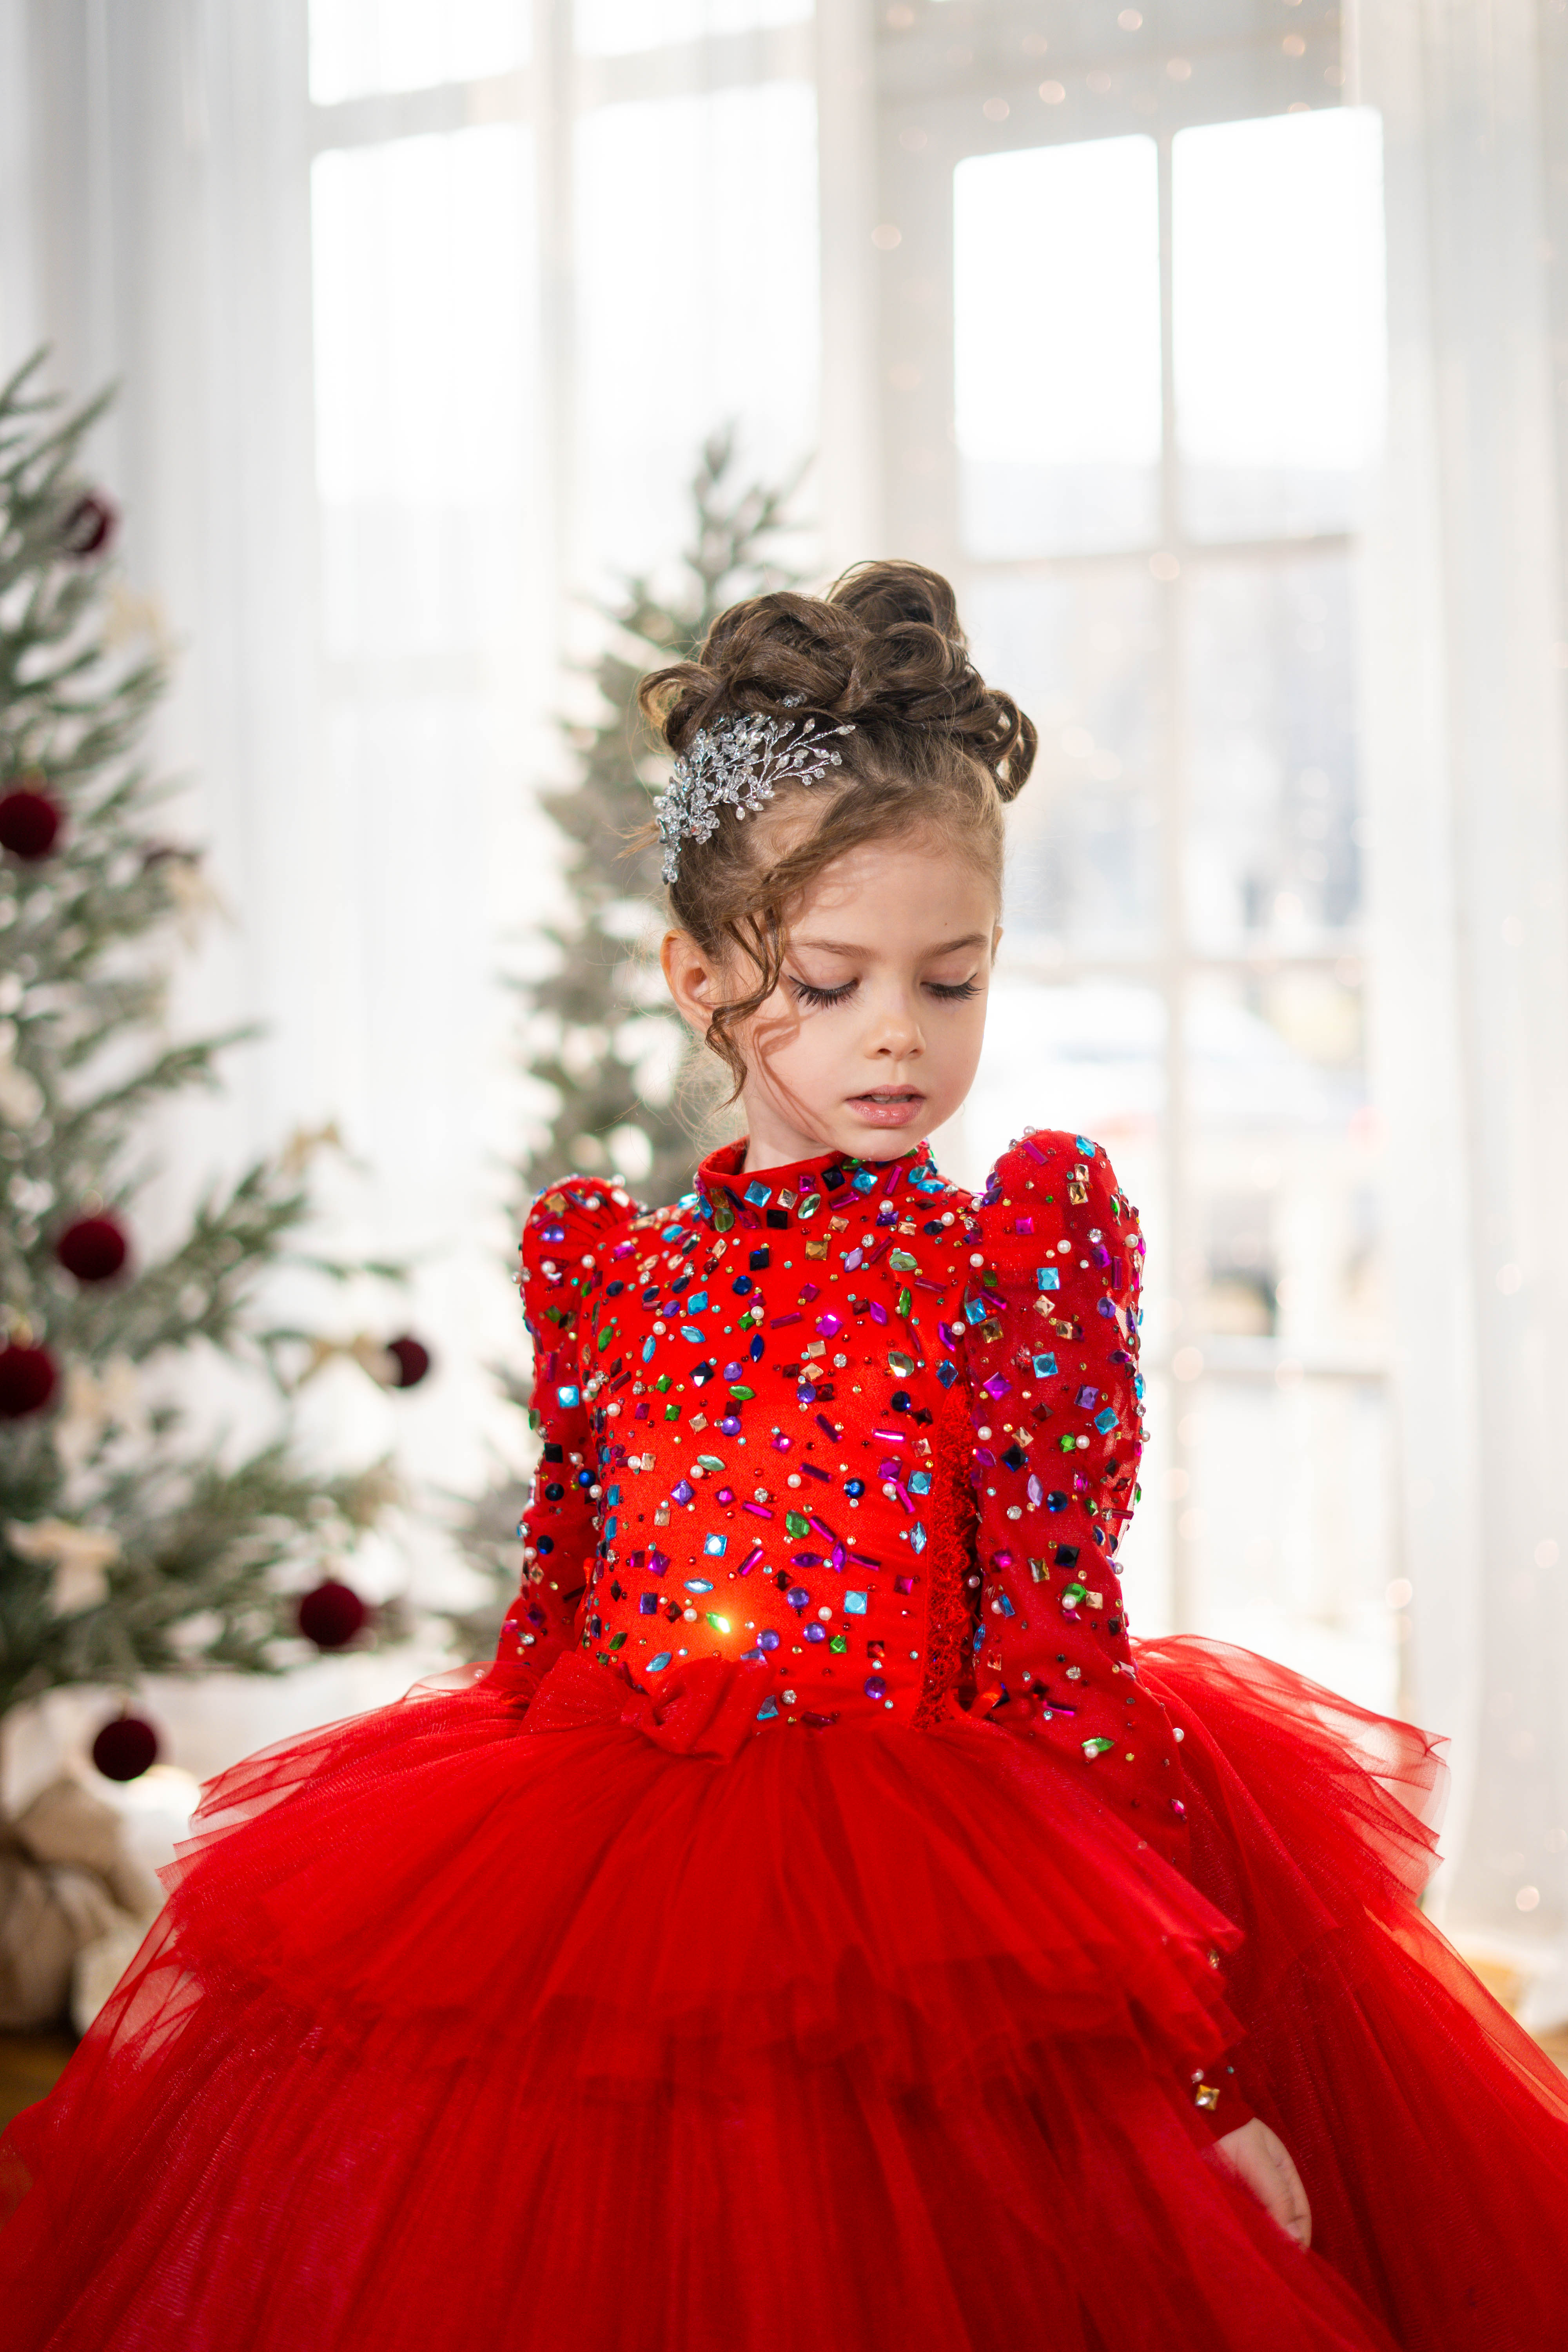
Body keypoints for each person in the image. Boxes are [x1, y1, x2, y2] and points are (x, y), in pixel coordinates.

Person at [3, 561, 1566, 2352]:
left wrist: (1201, 2097)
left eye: (951, 978)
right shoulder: (611, 1266)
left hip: (945, 1904)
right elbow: (565, 1615)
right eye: (827, 982)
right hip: (622, 1863)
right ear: (698, 974)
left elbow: (1059, 1657)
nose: (896, 1030)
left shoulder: (1012, 1257)